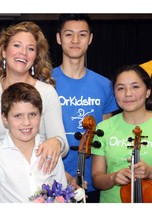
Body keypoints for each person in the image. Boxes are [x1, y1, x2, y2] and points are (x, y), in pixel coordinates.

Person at [0, 21, 68, 174]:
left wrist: (56, 142)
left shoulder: (46, 92)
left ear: (35, 57)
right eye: (17, 45)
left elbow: (62, 144)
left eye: (31, 48)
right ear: (3, 51)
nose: (23, 53)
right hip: (1, 174)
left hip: (36, 174)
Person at [51, 14, 119, 203]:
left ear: (90, 39)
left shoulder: (105, 85)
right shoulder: (45, 83)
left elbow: (106, 137)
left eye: (82, 35)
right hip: (53, 179)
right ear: (58, 38)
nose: (75, 40)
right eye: (68, 34)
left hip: (95, 181)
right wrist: (63, 175)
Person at [0, 82, 67, 202]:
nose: (26, 122)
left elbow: (63, 197)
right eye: (18, 116)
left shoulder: (51, 153)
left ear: (40, 115)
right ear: (5, 118)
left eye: (32, 114)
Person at [91, 64, 152, 203]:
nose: (128, 93)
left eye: (135, 87)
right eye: (121, 88)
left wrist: (150, 172)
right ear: (114, 93)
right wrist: (113, 177)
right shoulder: (103, 128)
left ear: (148, 91)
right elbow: (97, 178)